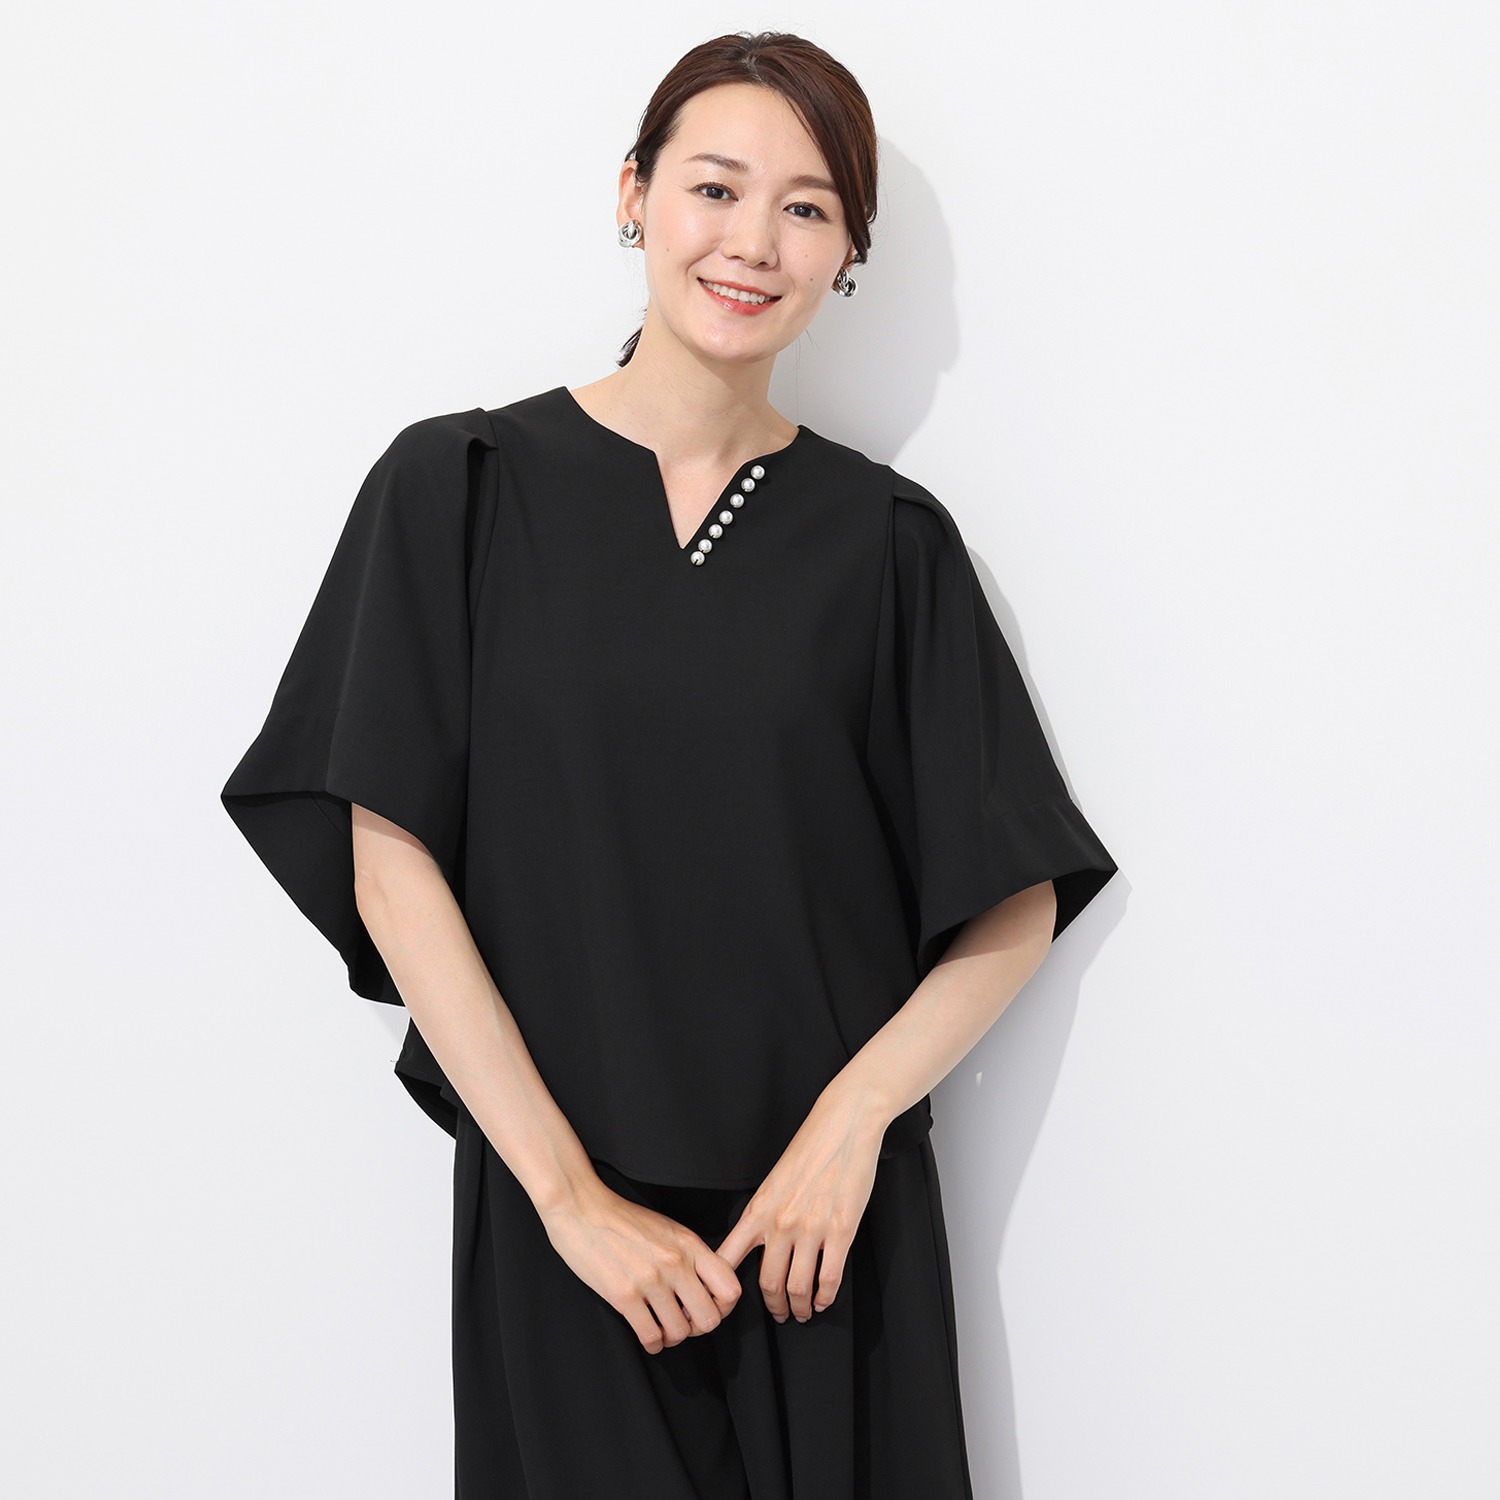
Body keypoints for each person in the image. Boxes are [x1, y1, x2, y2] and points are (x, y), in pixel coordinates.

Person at [220, 29, 1119, 1500]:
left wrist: (850, 1127)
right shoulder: (460, 490)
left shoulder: (890, 546)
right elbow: (392, 861)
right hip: (570, 1234)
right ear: (634, 194)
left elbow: (1014, 892)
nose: (754, 242)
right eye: (716, 187)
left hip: (824, 1244)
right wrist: (569, 1201)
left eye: (808, 208)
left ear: (847, 255)